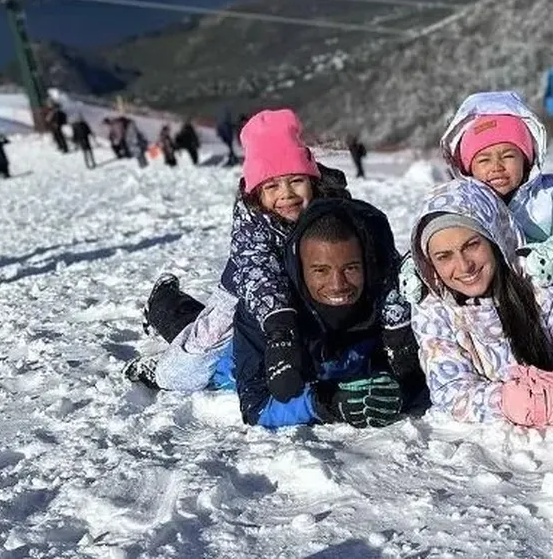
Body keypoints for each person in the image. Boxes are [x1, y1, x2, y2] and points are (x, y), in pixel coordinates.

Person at [127, 109, 351, 392]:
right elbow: (258, 268)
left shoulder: (334, 203)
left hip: (304, 293)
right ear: (256, 192)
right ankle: (162, 305)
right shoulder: (251, 214)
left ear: (311, 178)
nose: (286, 194)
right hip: (245, 290)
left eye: (296, 180)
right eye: (271, 185)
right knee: (184, 370)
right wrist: (279, 324)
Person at [409, 177, 553, 427]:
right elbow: (448, 389)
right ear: (429, 264)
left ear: (495, 241)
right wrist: (506, 402)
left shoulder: (548, 284)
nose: (464, 266)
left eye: (472, 245)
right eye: (444, 256)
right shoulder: (432, 308)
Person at [234, 199, 424, 428]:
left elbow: (416, 375)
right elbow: (256, 408)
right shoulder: (265, 316)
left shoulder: (387, 305)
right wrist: (325, 403)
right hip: (227, 355)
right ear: (300, 268)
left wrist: (396, 391)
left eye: (351, 268)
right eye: (321, 271)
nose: (338, 285)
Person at [437, 90, 553, 288]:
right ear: (468, 167)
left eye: (508, 156)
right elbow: (435, 238)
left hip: (546, 286)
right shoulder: (459, 202)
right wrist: (420, 266)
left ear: (526, 159)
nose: (496, 166)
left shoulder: (552, 195)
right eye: (484, 160)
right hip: (489, 291)